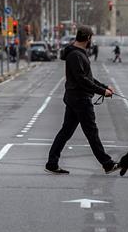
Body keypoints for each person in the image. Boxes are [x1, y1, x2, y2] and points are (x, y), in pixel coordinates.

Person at [45, 26, 120, 175]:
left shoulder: (78, 53)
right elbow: (82, 80)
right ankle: (107, 163)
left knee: (66, 132)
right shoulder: (76, 55)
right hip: (80, 99)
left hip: (75, 98)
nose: (92, 41)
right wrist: (101, 91)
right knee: (92, 132)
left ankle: (52, 163)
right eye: (91, 38)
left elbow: (88, 77)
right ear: (87, 38)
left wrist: (105, 88)